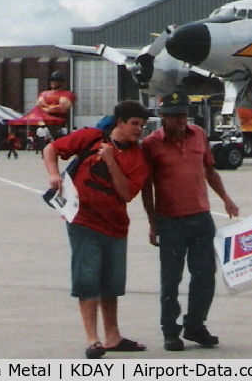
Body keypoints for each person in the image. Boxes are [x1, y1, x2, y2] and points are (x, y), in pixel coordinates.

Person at [44, 100, 150, 360]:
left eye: (142, 125)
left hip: (115, 226)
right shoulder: (92, 137)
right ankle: (93, 339)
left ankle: (113, 336)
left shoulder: (138, 157)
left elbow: (126, 194)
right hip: (83, 221)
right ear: (120, 122)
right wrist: (53, 175)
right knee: (87, 279)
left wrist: (112, 161)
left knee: (111, 284)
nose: (139, 130)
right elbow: (51, 149)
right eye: (134, 124)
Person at [141, 89, 239, 352]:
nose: (181, 121)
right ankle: (170, 331)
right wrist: (152, 223)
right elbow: (146, 186)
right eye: (174, 116)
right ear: (163, 116)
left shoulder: (198, 135)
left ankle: (195, 325)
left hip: (201, 217)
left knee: (206, 275)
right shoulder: (151, 144)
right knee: (171, 278)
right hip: (170, 221)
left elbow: (209, 170)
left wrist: (226, 199)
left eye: (184, 115)